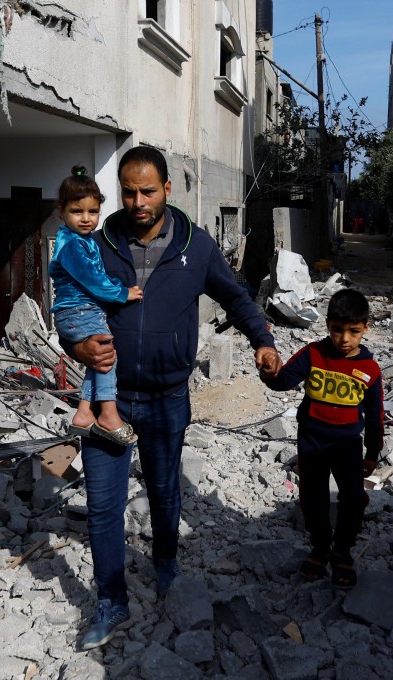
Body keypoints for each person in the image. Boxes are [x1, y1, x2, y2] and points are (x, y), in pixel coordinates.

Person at [67, 146, 282, 651]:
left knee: (164, 491)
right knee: (103, 505)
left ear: (167, 188)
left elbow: (235, 296)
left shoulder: (196, 246)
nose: (138, 202)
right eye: (129, 192)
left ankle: (165, 562)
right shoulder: (96, 245)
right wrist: (76, 346)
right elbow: (70, 305)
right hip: (107, 396)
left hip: (167, 398)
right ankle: (111, 599)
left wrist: (263, 340)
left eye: (148, 191)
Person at [260, 288, 384, 590]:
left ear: (366, 328)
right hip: (312, 444)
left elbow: (375, 415)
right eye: (337, 330)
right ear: (327, 324)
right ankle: (320, 548)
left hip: (347, 447)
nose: (344, 339)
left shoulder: (369, 370)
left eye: (354, 331)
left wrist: (372, 452)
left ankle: (342, 551)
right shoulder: (313, 354)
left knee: (353, 499)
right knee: (312, 499)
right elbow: (284, 380)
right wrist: (269, 371)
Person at [49, 166, 143, 446]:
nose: (86, 218)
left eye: (93, 211)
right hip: (79, 311)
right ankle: (109, 415)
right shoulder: (72, 246)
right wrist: (123, 292)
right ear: (61, 212)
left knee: (97, 359)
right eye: (77, 211)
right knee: (106, 357)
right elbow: (93, 280)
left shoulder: (83, 241)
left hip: (83, 311)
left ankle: (84, 412)